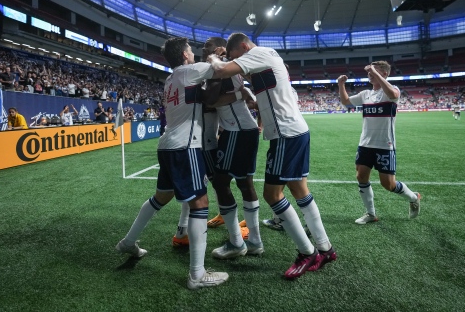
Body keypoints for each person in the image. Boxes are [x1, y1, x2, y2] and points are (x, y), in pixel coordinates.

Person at [207, 32, 336, 279]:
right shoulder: (266, 57)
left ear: (244, 47)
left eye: (236, 56)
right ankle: (325, 248)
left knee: (272, 194)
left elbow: (223, 71)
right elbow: (251, 78)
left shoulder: (258, 53)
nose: (238, 64)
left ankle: (306, 253)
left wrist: (216, 58)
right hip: (296, 130)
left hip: (285, 134)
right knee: (301, 192)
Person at [115, 37, 228, 290]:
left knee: (160, 198)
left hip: (166, 145)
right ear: (186, 55)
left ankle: (128, 241)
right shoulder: (191, 71)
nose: (194, 53)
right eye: (191, 50)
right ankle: (197, 275)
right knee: (200, 203)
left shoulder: (170, 79)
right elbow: (221, 69)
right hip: (185, 147)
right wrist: (216, 55)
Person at [199, 37, 263, 260]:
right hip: (243, 130)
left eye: (207, 46)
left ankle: (237, 242)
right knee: (245, 183)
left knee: (221, 182)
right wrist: (241, 94)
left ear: (217, 48)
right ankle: (254, 241)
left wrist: (239, 94)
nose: (204, 50)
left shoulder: (221, 67)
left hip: (237, 132)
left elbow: (209, 101)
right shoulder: (229, 67)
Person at [337, 61, 421, 225]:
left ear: (385, 74)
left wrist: (374, 72)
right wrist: (341, 85)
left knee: (388, 184)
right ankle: (370, 214)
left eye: (376, 70)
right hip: (365, 144)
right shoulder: (365, 94)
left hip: (385, 145)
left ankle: (414, 197)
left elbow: (394, 95)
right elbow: (346, 102)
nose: (371, 72)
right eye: (370, 70)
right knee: (361, 176)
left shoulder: (392, 90)